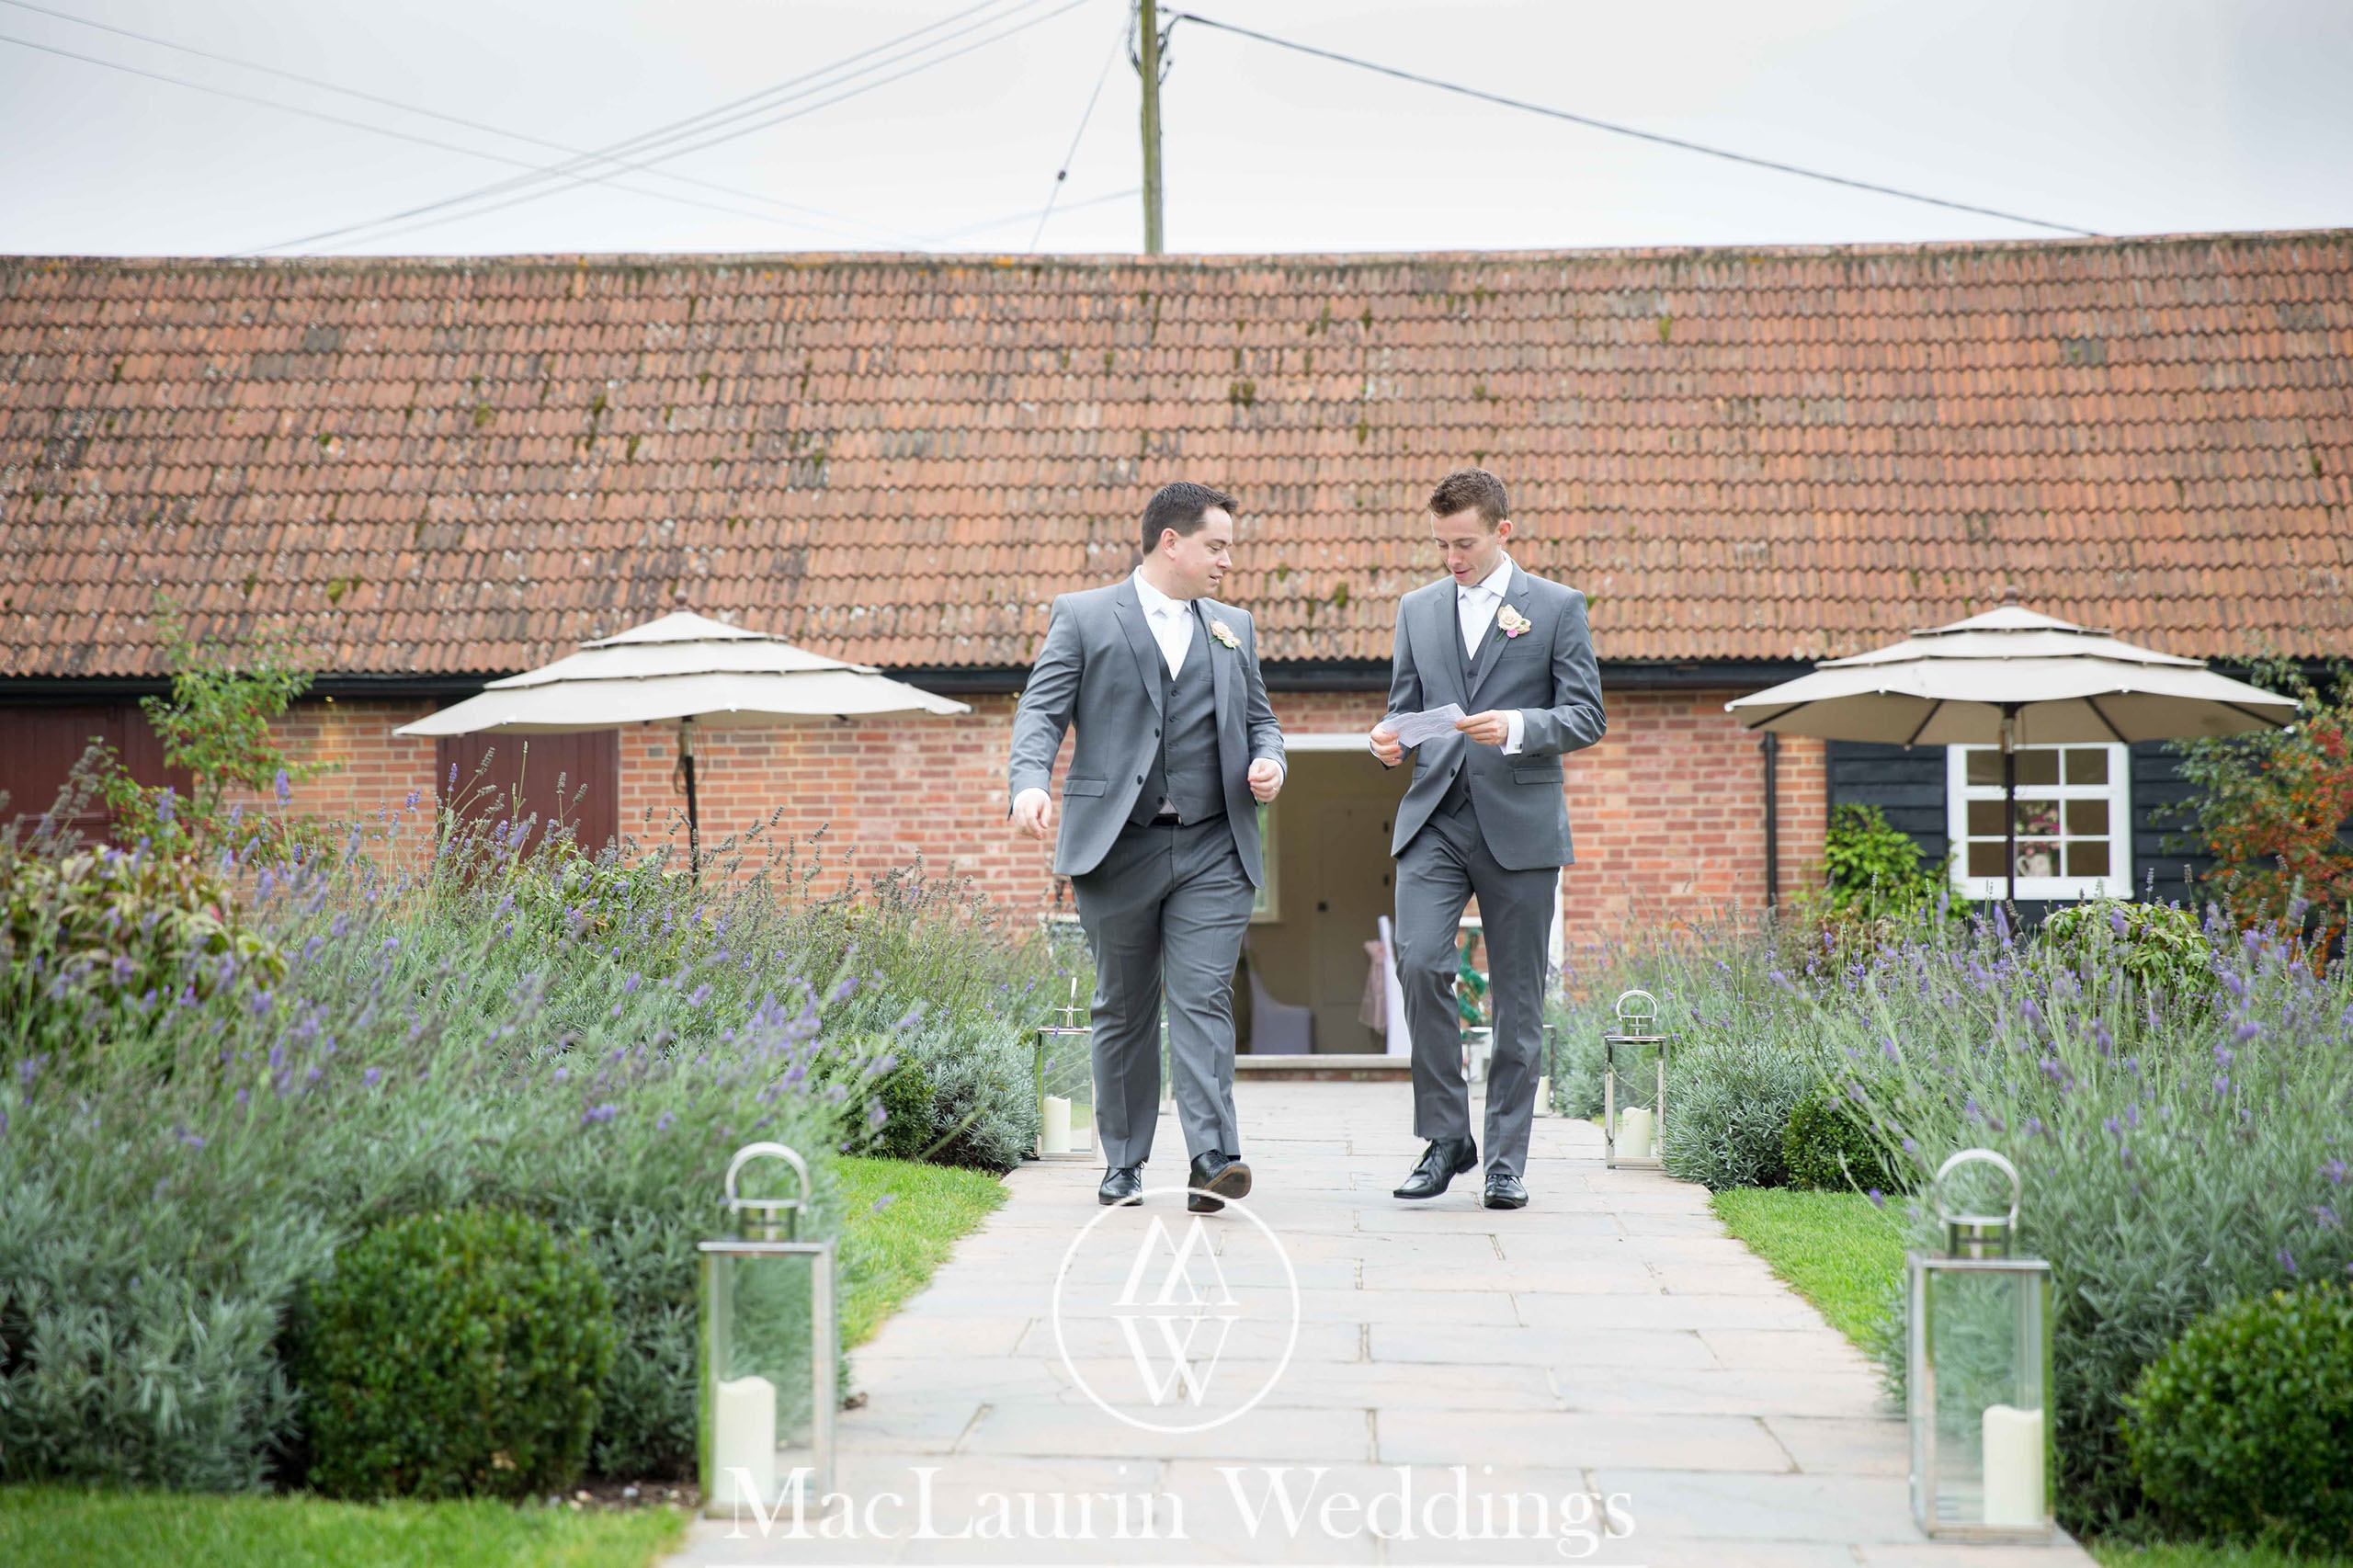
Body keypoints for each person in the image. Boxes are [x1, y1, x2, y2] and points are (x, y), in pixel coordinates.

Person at [1008, 482, 1285, 1211]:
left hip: (1213, 847)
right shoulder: (1085, 615)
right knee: (1124, 1008)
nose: (1227, 561)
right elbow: (1041, 710)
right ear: (1172, 542)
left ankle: (1212, 1160)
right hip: (1116, 847)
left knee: (1202, 1000)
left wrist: (1271, 763)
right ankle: (1124, 1161)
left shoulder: (1234, 627)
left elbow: (1263, 721)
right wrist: (1028, 783)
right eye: (1216, 546)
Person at [1369, 468, 1606, 1209]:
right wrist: (1391, 740)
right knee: (1420, 963)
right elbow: (1407, 708)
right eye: (1440, 544)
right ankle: (1447, 1138)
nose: (1451, 558)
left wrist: (1521, 728)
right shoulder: (1417, 609)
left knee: (1519, 999)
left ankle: (1505, 1159)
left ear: (1503, 530)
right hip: (1435, 817)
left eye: (1463, 543)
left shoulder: (1558, 608)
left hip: (1522, 824)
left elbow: (1586, 717)